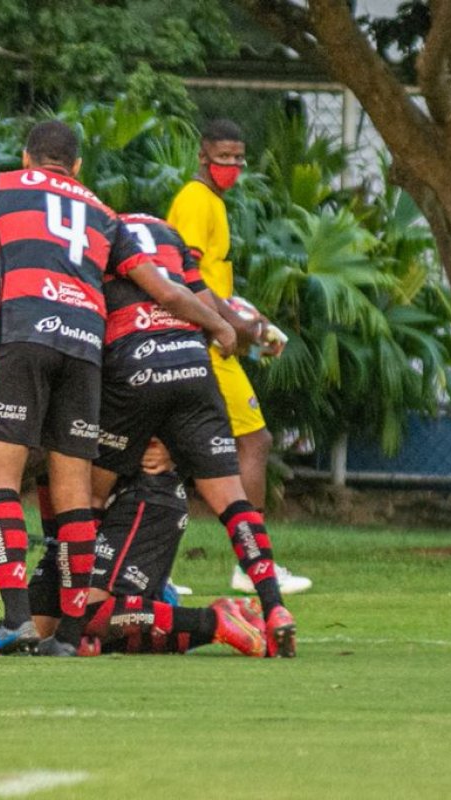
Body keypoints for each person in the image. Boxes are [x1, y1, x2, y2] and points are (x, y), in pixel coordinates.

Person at [0, 120, 240, 656]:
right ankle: (72, 635)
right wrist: (220, 326)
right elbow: (164, 292)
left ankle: (14, 621)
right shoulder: (104, 214)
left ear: (27, 157)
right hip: (84, 348)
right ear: (77, 167)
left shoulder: (4, 186)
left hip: (25, 334)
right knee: (73, 495)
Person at [90, 213, 296, 656]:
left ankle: (207, 618)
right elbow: (209, 309)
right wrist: (242, 329)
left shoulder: (96, 236)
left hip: (132, 362)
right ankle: (273, 606)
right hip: (192, 363)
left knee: (87, 610)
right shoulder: (169, 237)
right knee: (235, 502)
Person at [166, 119, 312, 597]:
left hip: (213, 336)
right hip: (208, 344)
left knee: (168, 450)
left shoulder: (213, 203)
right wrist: (234, 327)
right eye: (223, 157)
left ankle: (148, 569)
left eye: (238, 158)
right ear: (203, 156)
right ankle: (252, 566)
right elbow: (185, 276)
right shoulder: (194, 200)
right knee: (255, 441)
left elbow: (213, 280)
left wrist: (252, 320)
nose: (232, 166)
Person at [30, 439, 264, 657]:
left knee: (84, 615)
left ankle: (212, 621)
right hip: (81, 507)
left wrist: (176, 446)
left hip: (142, 496)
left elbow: (199, 412)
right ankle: (161, 607)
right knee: (38, 636)